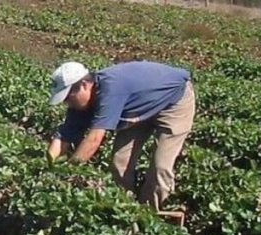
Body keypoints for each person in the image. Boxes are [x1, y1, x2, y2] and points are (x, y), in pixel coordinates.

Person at [47, 60, 195, 212]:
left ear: (84, 85)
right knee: (120, 162)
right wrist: (48, 167)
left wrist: (68, 172)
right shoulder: (78, 104)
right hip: (137, 108)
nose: (67, 103)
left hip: (174, 101)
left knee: (160, 167)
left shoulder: (110, 91)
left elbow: (94, 139)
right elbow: (63, 136)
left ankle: (150, 214)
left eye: (67, 97)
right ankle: (124, 210)